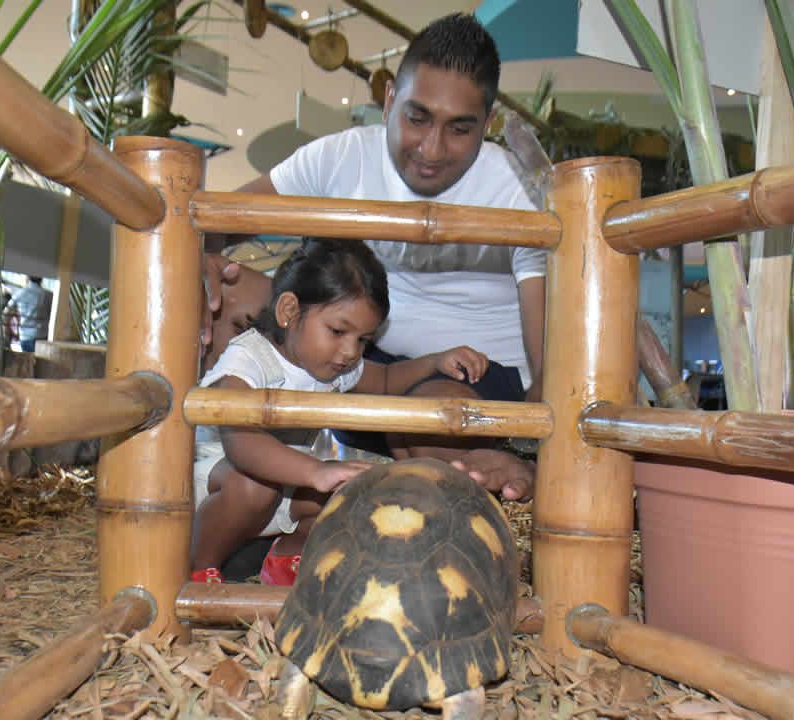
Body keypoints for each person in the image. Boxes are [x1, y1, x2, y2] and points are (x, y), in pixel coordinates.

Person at [203, 13, 540, 501]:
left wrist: (532, 443)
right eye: (417, 117)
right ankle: (234, 466)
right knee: (226, 288)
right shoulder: (340, 157)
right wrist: (203, 257)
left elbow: (546, 345)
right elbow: (213, 224)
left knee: (430, 418)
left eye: (459, 129)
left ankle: (467, 461)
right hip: (354, 362)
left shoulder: (516, 188)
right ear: (388, 102)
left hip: (468, 383)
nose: (431, 148)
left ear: (488, 125)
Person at [191, 238, 489, 585]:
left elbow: (386, 379)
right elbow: (241, 442)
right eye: (337, 331)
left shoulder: (336, 367)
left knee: (351, 492)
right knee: (255, 486)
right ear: (289, 311)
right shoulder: (249, 358)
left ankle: (286, 558)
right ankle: (199, 566)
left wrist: (434, 362)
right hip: (219, 482)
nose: (350, 351)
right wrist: (315, 471)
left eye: (363, 339)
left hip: (287, 485)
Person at [5, 276, 52, 352]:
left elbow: (6, 313)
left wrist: (8, 333)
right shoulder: (49, 295)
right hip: (42, 336)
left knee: (27, 361)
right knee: (41, 362)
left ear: (28, 278)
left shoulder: (20, 293)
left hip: (25, 336)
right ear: (42, 279)